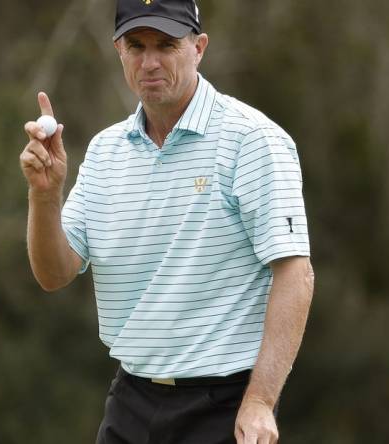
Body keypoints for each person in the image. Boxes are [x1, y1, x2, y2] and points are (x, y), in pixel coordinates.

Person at [19, 0, 314, 442]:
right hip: (131, 402)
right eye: (136, 45)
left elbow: (295, 274)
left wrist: (259, 402)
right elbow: (54, 273)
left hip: (225, 405)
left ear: (199, 47)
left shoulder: (253, 140)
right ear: (119, 49)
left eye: (166, 45)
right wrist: (45, 195)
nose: (149, 62)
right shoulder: (104, 152)